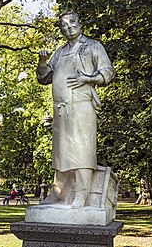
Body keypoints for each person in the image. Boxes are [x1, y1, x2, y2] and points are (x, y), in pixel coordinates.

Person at [36, 11, 115, 208]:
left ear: (79, 24)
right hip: (61, 110)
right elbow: (44, 78)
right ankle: (58, 193)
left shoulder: (93, 46)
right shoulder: (60, 51)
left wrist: (88, 78)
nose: (69, 26)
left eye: (72, 22)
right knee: (60, 151)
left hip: (82, 106)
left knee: (82, 149)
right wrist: (43, 63)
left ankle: (82, 194)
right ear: (61, 29)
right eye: (64, 24)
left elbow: (108, 72)